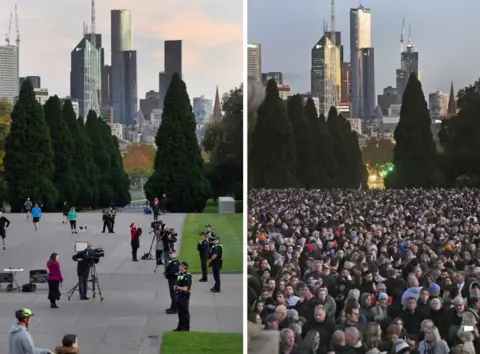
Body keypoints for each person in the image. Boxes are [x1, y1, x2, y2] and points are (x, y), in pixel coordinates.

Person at [173, 261, 192, 331]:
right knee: (180, 312)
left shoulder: (187, 276)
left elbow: (185, 288)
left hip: (184, 296)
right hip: (179, 295)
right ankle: (180, 327)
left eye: (181, 265)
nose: (179, 266)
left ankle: (186, 328)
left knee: (185, 312)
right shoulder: (180, 274)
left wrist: (177, 287)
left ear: (184, 267)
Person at [164, 250, 180, 314]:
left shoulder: (175, 262)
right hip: (171, 280)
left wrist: (167, 274)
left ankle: (175, 309)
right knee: (172, 294)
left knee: (173, 294)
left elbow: (172, 271)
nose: (170, 255)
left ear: (175, 254)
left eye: (172, 253)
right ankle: (172, 307)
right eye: (169, 253)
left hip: (173, 280)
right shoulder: (172, 261)